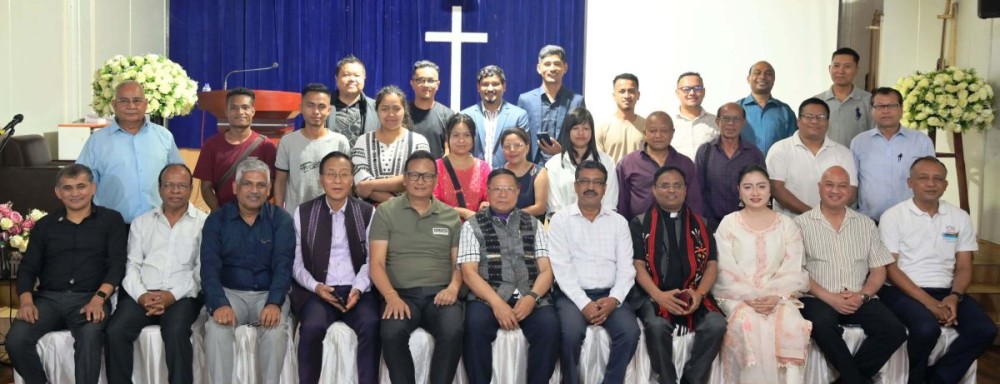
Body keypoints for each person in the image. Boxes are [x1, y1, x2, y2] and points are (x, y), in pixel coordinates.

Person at [878, 157, 997, 384]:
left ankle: (938, 380)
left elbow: (963, 266)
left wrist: (955, 296)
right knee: (925, 328)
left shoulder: (959, 217)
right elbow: (891, 269)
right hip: (901, 290)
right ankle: (914, 379)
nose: (931, 184)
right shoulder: (893, 216)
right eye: (923, 178)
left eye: (938, 179)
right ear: (910, 183)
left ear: (945, 185)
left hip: (945, 290)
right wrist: (929, 303)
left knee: (985, 330)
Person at [7, 164, 127, 384]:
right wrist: (25, 301)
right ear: (58, 192)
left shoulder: (111, 220)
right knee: (15, 341)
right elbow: (28, 267)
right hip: (48, 300)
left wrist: (99, 299)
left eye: (81, 186)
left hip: (90, 297)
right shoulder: (45, 226)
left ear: (93, 188)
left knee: (90, 338)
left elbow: (117, 265)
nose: (75, 193)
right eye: (68, 188)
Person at [794, 166, 907, 384]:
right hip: (817, 297)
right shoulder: (800, 224)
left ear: (850, 190)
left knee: (895, 331)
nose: (835, 190)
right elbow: (798, 270)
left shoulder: (866, 224)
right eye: (829, 184)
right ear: (819, 188)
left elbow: (878, 269)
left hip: (859, 296)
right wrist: (830, 298)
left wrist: (862, 295)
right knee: (822, 326)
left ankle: (848, 380)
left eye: (842, 186)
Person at [105, 163, 207, 384]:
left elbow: (201, 271)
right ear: (159, 189)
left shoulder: (204, 223)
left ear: (191, 188)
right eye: (169, 185)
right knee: (115, 331)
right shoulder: (142, 222)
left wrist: (171, 296)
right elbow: (131, 265)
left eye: (181, 186)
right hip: (143, 292)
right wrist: (142, 295)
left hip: (182, 295)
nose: (175, 191)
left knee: (176, 332)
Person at [370, 151, 464, 384]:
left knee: (453, 331)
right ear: (404, 178)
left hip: (440, 294)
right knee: (391, 333)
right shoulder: (385, 212)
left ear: (436, 179)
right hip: (401, 294)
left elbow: (459, 264)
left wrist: (453, 288)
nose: (420, 181)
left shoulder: (450, 216)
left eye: (427, 176)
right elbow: (376, 264)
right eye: (414, 175)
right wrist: (391, 296)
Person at [458, 168, 560, 384]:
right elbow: (468, 273)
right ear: (488, 191)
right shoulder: (471, 225)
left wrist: (532, 297)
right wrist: (497, 303)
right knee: (474, 327)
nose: (502, 194)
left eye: (508, 189)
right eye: (497, 189)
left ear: (517, 191)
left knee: (550, 328)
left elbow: (546, 270)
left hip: (530, 293)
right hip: (486, 297)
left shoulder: (534, 224)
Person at [712, 164, 811, 383]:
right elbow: (725, 267)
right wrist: (750, 296)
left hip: (779, 297)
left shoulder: (787, 225)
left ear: (770, 190)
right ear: (739, 190)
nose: (755, 193)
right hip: (737, 297)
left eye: (761, 186)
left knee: (790, 321)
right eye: (748, 187)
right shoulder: (729, 223)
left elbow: (792, 266)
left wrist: (775, 296)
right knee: (749, 323)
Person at [201, 158, 295, 384]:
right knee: (216, 329)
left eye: (261, 185)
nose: (255, 190)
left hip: (268, 294)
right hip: (230, 293)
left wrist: (274, 302)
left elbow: (283, 266)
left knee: (275, 333)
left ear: (269, 189)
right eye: (248, 184)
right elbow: (209, 267)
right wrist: (220, 303)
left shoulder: (281, 220)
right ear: (235, 187)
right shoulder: (217, 220)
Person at [629, 166, 726, 384]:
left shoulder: (703, 224)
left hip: (694, 293)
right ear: (654, 190)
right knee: (656, 326)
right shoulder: (639, 223)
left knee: (716, 324)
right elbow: (637, 265)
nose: (671, 190)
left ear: (685, 190)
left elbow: (711, 264)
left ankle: (692, 380)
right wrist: (659, 295)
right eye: (665, 185)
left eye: (677, 185)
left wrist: (699, 294)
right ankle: (667, 380)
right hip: (653, 294)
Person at [290, 151, 380, 384]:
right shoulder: (304, 212)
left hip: (357, 290)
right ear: (321, 179)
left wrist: (359, 288)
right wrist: (316, 287)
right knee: (310, 328)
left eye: (343, 175)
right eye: (331, 174)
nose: (337, 181)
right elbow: (296, 262)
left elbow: (374, 259)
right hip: (319, 290)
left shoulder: (367, 212)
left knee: (371, 325)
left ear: (352, 179)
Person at [548, 160, 639, 384]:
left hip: (610, 293)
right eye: (585, 181)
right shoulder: (560, 220)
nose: (591, 187)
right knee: (569, 335)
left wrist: (614, 299)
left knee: (630, 333)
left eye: (597, 182)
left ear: (605, 188)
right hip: (571, 296)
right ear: (575, 186)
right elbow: (561, 268)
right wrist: (583, 303)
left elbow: (626, 268)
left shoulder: (619, 222)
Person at [76, 80, 184, 224]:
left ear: (145, 104)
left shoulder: (164, 136)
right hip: (112, 226)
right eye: (124, 101)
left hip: (159, 224)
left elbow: (180, 178)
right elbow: (81, 182)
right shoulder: (97, 141)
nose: (131, 106)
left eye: (137, 100)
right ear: (114, 105)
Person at [851, 87, 934, 222]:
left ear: (901, 109)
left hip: (911, 220)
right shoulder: (859, 142)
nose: (886, 111)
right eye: (879, 106)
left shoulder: (921, 141)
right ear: (871, 110)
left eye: (892, 105)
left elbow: (931, 180)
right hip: (869, 221)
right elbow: (853, 183)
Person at [767, 98, 857, 217]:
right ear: (798, 121)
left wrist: (826, 215)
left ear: (828, 122)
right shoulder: (780, 149)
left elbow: (851, 191)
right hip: (789, 224)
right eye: (809, 116)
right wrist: (812, 215)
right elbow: (776, 189)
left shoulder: (842, 153)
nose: (815, 121)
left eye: (821, 116)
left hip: (831, 224)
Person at [273, 83, 352, 215]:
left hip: (331, 216)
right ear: (301, 108)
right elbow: (280, 182)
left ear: (329, 110)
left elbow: (347, 182)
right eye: (310, 105)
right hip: (295, 218)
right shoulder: (287, 142)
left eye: (321, 106)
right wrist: (280, 216)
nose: (316, 112)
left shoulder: (340, 141)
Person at [194, 87, 278, 211]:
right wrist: (221, 214)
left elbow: (271, 185)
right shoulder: (211, 145)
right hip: (223, 217)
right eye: (234, 108)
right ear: (226, 112)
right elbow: (206, 187)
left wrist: (250, 210)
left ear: (253, 111)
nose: (240, 112)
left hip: (257, 218)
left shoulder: (266, 146)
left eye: (245, 107)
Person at [617, 111, 703, 221]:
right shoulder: (628, 163)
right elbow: (622, 203)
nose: (658, 135)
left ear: (672, 133)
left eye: (664, 131)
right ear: (645, 133)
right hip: (639, 230)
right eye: (653, 131)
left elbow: (695, 203)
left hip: (678, 230)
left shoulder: (685, 164)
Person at [352, 85, 431, 203]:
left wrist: (371, 185)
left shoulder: (418, 142)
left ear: (404, 110)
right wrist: (397, 204)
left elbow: (418, 179)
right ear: (377, 111)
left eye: (396, 108)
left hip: (412, 213)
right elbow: (361, 186)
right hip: (371, 215)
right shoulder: (363, 141)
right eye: (384, 109)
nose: (391, 114)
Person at [695, 102, 766, 232]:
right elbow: (698, 191)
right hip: (711, 226)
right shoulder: (705, 152)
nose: (731, 123)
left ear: (743, 123)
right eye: (726, 118)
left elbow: (763, 192)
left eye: (736, 119)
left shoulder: (754, 154)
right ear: (717, 121)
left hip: (747, 226)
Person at [518, 45, 586, 164]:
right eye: (547, 64)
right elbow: (519, 136)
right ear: (539, 68)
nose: (552, 68)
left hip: (564, 165)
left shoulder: (577, 101)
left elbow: (581, 138)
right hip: (532, 166)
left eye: (557, 64)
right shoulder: (525, 100)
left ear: (565, 68)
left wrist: (562, 152)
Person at [545, 107, 619, 216]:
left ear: (592, 131)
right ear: (567, 131)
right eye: (575, 128)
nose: (581, 132)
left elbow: (610, 203)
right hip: (564, 228)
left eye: (585, 128)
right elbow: (555, 206)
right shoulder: (553, 164)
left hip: (601, 227)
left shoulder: (606, 162)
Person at [461, 65, 529, 169]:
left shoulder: (519, 115)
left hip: (507, 178)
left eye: (495, 84)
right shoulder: (466, 115)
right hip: (474, 177)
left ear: (504, 86)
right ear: (478, 87)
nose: (490, 88)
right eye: (485, 84)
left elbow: (522, 151)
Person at [434, 114, 491, 220]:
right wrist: (462, 212)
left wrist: (486, 204)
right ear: (447, 138)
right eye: (456, 135)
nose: (461, 140)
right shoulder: (436, 167)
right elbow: (431, 203)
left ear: (473, 138)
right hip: (443, 229)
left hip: (474, 232)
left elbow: (489, 198)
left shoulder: (483, 167)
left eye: (467, 135)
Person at [815, 47, 872, 147]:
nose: (841, 71)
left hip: (856, 160)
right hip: (824, 160)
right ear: (829, 68)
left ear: (856, 70)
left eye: (847, 66)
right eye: (836, 65)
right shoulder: (816, 102)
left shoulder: (869, 101)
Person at [739, 61, 797, 155]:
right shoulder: (736, 109)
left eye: (768, 74)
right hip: (743, 168)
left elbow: (793, 146)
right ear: (748, 79)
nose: (762, 77)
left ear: (774, 79)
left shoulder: (786, 111)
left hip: (777, 167)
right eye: (757, 73)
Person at [326, 55, 379, 145]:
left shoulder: (376, 107)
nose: (352, 79)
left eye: (357, 75)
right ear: (336, 78)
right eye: (346, 75)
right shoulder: (322, 105)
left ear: (364, 78)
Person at [595, 73, 645, 163]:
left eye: (631, 91)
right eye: (622, 91)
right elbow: (597, 161)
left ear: (638, 95)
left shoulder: (647, 127)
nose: (626, 96)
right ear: (614, 95)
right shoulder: (602, 127)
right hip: (610, 176)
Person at [408, 60, 454, 158]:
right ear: (412, 83)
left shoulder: (448, 116)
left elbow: (450, 151)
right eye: (420, 80)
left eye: (431, 80)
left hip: (438, 172)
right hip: (407, 172)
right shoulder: (403, 113)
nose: (426, 85)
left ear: (437, 85)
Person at [499, 128, 549, 218]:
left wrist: (512, 216)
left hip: (530, 227)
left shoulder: (539, 172)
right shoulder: (498, 174)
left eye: (517, 145)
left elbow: (540, 208)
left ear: (527, 147)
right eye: (507, 146)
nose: (512, 149)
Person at [672, 72, 719, 160]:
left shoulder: (716, 123)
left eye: (697, 88)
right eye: (686, 89)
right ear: (677, 93)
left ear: (704, 92)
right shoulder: (669, 123)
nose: (692, 93)